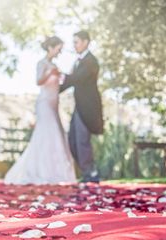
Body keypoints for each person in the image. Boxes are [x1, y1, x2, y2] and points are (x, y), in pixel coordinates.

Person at [4, 36, 76, 185]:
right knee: (49, 134)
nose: (60, 52)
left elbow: (60, 85)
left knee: (57, 136)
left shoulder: (55, 65)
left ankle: (56, 172)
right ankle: (41, 171)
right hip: (44, 104)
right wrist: (51, 73)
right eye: (58, 48)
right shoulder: (42, 63)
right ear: (50, 47)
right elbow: (38, 81)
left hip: (55, 105)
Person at [59, 30, 103, 183]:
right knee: (73, 140)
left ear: (85, 42)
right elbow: (71, 82)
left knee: (82, 140)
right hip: (79, 107)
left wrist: (60, 76)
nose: (74, 45)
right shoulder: (78, 62)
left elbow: (77, 78)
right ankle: (87, 171)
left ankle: (91, 173)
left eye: (76, 42)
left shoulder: (91, 61)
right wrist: (52, 90)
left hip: (88, 108)